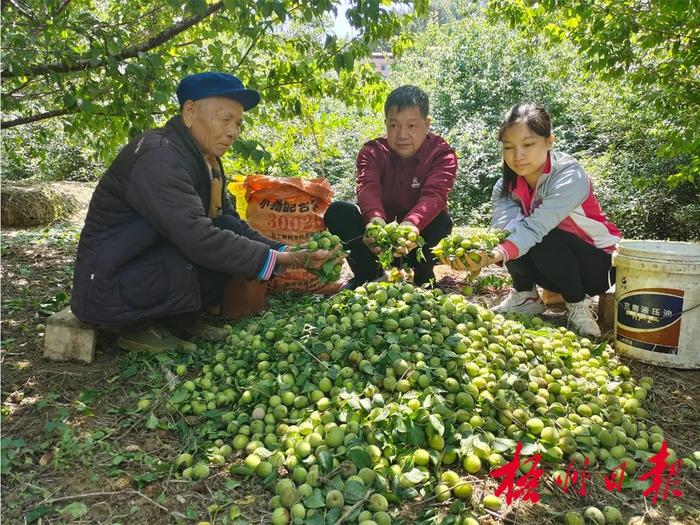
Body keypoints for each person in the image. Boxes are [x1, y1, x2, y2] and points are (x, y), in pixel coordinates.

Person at [71, 72, 336, 352]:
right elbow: (197, 237)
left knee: (228, 228)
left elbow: (233, 225)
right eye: (225, 119)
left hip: (147, 261)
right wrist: (285, 260)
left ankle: (177, 321)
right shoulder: (159, 157)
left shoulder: (207, 161)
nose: (234, 132)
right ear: (189, 112)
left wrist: (286, 248)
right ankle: (138, 328)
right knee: (208, 243)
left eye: (238, 123)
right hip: (111, 280)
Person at [445, 102, 621, 338]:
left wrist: (495, 254)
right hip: (555, 268)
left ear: (549, 141)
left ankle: (578, 304)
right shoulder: (504, 186)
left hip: (598, 267)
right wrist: (481, 253)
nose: (517, 156)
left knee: (541, 235)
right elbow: (503, 229)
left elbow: (536, 227)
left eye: (528, 144)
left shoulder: (569, 175)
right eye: (509, 147)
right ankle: (525, 295)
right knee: (509, 233)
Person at [324, 85, 457, 289]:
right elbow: (368, 188)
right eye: (394, 125)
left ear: (426, 124)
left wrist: (411, 225)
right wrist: (374, 223)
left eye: (411, 125)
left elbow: (434, 196)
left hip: (417, 240)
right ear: (386, 124)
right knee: (339, 212)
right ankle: (369, 274)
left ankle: (424, 275)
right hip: (375, 242)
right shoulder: (372, 152)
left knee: (441, 219)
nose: (402, 134)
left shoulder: (442, 154)